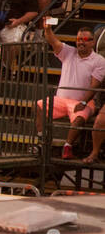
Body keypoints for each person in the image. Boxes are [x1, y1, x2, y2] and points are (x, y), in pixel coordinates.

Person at [42, 24, 105, 158]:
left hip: (82, 101)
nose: (81, 42)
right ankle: (41, 140)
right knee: (39, 106)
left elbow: (94, 85)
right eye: (78, 39)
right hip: (61, 99)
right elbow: (52, 40)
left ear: (93, 42)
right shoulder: (68, 52)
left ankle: (68, 146)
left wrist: (83, 101)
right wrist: (47, 29)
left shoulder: (99, 61)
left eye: (85, 39)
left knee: (80, 117)